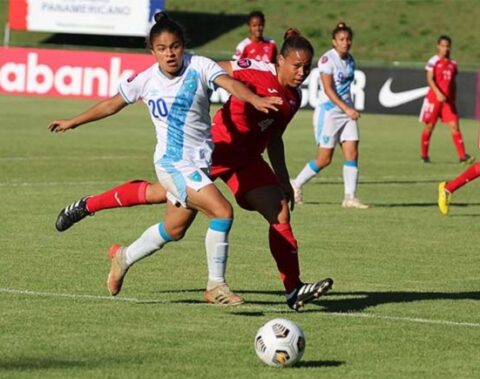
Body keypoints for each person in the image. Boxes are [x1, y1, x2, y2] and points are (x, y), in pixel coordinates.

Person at [53, 29, 334, 311]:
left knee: (278, 209)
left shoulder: (293, 98)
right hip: (214, 151)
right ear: (281, 60)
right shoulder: (254, 69)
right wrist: (249, 97)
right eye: (296, 65)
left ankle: (293, 289)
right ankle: (90, 207)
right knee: (169, 214)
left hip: (246, 160)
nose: (301, 72)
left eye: (306, 67)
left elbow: (274, 138)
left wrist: (283, 181)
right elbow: (223, 73)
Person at [290, 22, 368, 209]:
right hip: (330, 112)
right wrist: (347, 108)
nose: (346, 42)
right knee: (324, 158)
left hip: (346, 112)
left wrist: (348, 109)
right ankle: (295, 184)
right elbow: (328, 89)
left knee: (352, 152)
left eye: (348, 39)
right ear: (334, 42)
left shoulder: (350, 60)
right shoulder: (327, 60)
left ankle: (349, 197)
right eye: (341, 39)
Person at [419, 35, 474, 164]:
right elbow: (429, 78)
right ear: (438, 46)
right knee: (429, 127)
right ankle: (424, 155)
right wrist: (438, 93)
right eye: (443, 46)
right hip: (434, 99)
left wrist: (453, 98)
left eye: (447, 46)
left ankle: (462, 156)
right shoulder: (433, 61)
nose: (445, 49)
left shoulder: (453, 64)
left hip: (448, 101)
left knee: (455, 126)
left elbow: (453, 83)